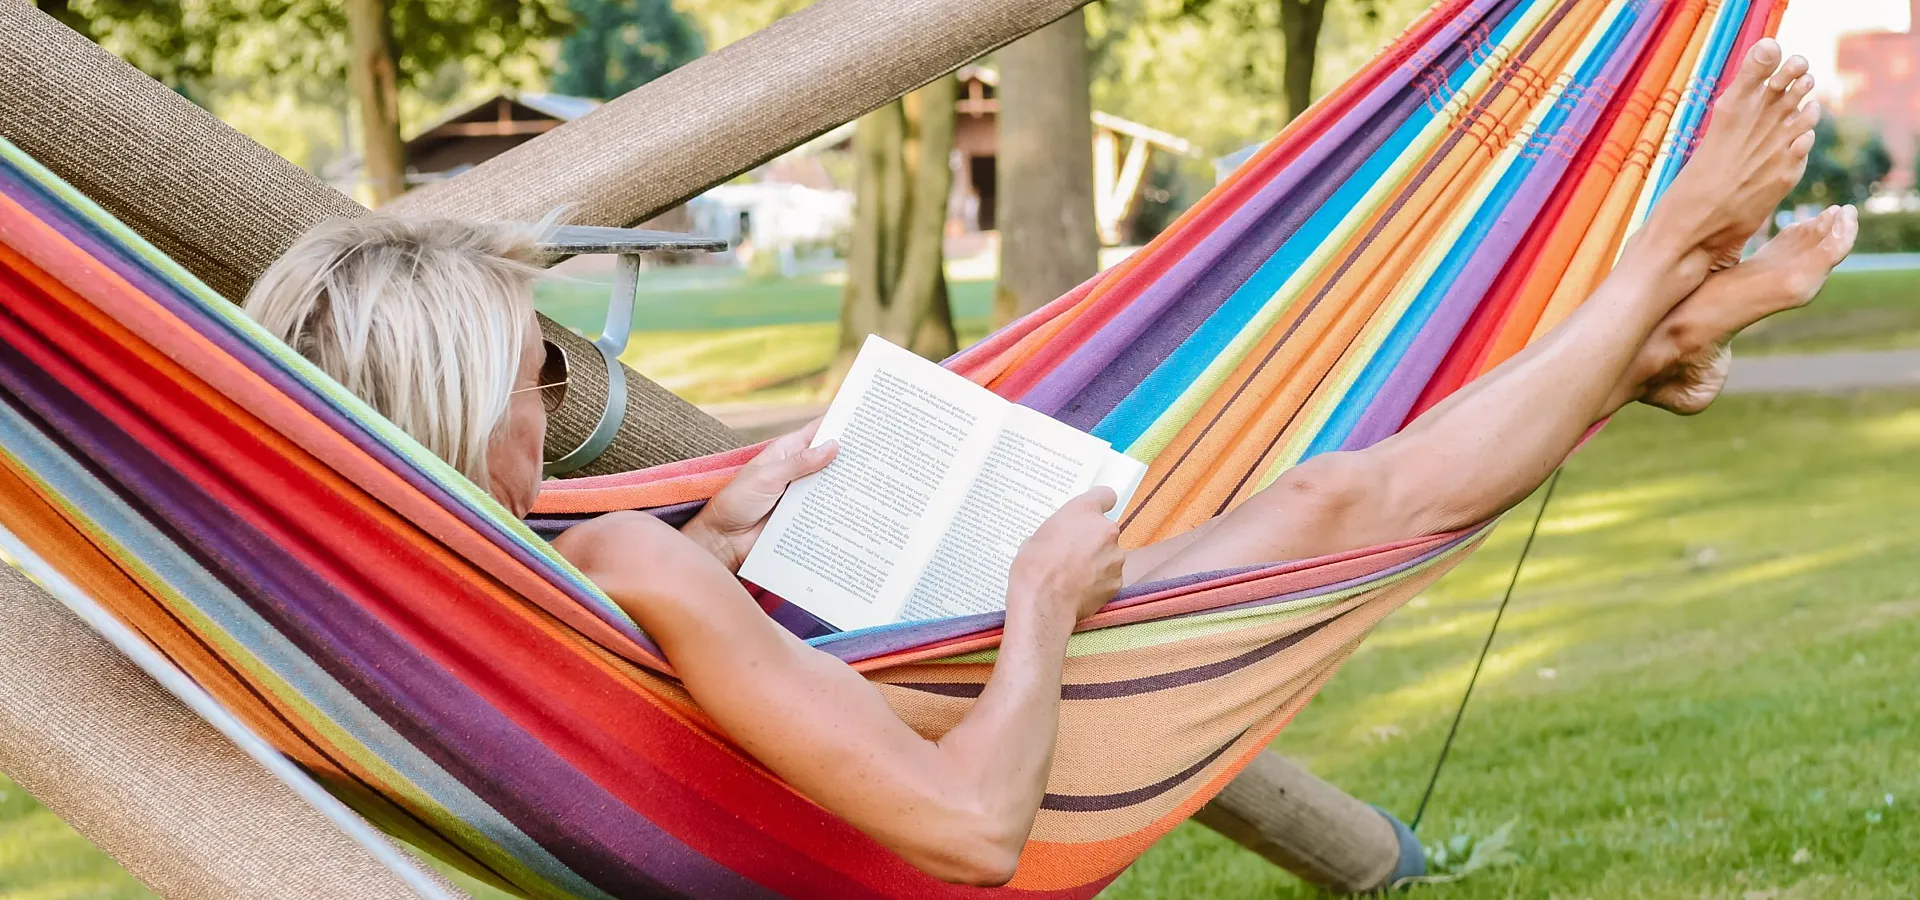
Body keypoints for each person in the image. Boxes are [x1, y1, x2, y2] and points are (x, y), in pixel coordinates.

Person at [246, 40, 1852, 886]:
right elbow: (963, 836)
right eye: (530, 365)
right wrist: (1037, 601)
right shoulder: (606, 557)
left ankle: (1644, 341)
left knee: (1328, 504)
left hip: (865, 725)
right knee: (1328, 505)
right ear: (450, 406)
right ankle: (1649, 282)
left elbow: (648, 707)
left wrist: (727, 544)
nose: (553, 396)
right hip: (939, 810)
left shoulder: (432, 585)